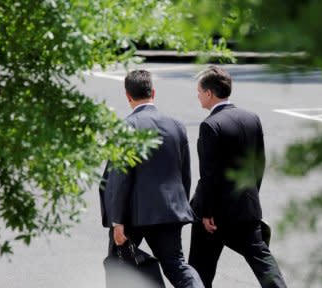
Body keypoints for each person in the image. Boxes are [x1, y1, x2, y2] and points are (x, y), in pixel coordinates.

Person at [188, 66, 288, 288]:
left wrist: (207, 212)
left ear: (209, 94)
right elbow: (259, 164)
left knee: (199, 269)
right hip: (246, 208)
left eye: (198, 91)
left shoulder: (210, 125)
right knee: (262, 260)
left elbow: (209, 174)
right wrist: (250, 196)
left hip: (214, 216)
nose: (197, 96)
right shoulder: (251, 118)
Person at [103, 70, 204, 288]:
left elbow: (120, 179)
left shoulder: (126, 127)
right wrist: (180, 207)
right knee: (176, 265)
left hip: (132, 215)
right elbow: (184, 172)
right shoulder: (176, 125)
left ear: (128, 96)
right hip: (169, 211)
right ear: (153, 92)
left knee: (118, 265)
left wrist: (118, 221)